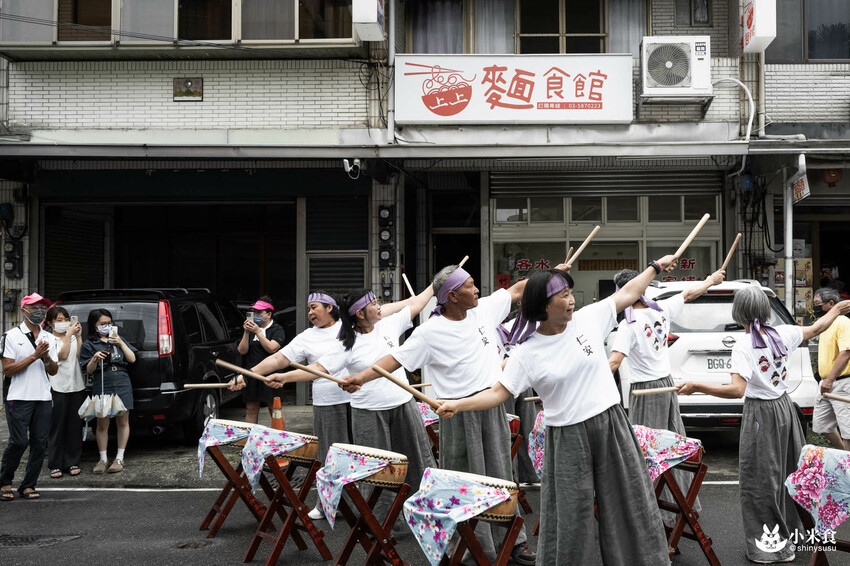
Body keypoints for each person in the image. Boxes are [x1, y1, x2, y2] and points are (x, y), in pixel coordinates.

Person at [436, 258, 677, 565]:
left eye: (570, 292)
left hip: (612, 424)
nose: (572, 300)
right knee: (569, 514)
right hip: (566, 436)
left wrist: (655, 267)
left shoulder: (590, 318)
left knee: (628, 501)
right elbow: (497, 393)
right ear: (543, 305)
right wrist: (457, 404)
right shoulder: (527, 351)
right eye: (562, 295)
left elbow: (629, 292)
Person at [341, 263, 574, 565]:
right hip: (456, 414)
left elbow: (519, 289)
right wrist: (360, 377)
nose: (477, 289)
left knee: (502, 474)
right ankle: (468, 547)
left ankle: (512, 542)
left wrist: (552, 275)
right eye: (470, 285)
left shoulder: (484, 310)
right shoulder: (428, 333)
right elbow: (393, 360)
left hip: (490, 406)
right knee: (463, 482)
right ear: (452, 295)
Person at [678, 286, 850, 564]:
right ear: (765, 310)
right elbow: (817, 327)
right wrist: (837, 309)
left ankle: (769, 548)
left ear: (739, 313)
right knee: (788, 473)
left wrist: (697, 385)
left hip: (760, 414)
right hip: (785, 409)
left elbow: (737, 391)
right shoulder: (784, 333)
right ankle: (794, 537)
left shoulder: (744, 346)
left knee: (759, 480)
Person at [269, 285, 436, 526]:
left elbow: (418, 303)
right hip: (369, 412)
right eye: (374, 304)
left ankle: (423, 513)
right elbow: (318, 369)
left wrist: (436, 284)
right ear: (360, 313)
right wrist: (285, 377)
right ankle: (384, 523)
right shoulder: (346, 343)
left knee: (418, 460)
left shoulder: (388, 324)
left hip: (404, 403)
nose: (379, 306)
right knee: (380, 470)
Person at [607, 268, 725, 522]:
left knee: (649, 452)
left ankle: (655, 514)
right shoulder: (661, 309)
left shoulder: (628, 324)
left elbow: (614, 363)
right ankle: (679, 505)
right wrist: (710, 280)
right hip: (665, 387)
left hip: (646, 391)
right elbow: (689, 293)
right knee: (671, 445)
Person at [231, 291, 350, 521]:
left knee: (360, 455)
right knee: (329, 456)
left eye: (315, 307)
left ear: (330, 308)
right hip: (327, 402)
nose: (310, 312)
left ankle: (361, 504)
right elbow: (279, 359)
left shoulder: (349, 328)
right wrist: (246, 375)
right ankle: (327, 504)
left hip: (358, 399)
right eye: (308, 309)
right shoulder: (307, 336)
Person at [0, 293, 58, 501]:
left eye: (43, 307)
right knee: (18, 441)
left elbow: (53, 371)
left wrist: (47, 358)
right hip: (18, 396)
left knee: (40, 444)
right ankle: (5, 481)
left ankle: (28, 485)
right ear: (23, 310)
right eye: (34, 307)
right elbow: (8, 370)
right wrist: (34, 356)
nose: (39, 311)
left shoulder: (50, 338)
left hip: (43, 397)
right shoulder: (11, 336)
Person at [80, 308, 137, 474]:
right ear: (94, 325)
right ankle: (103, 459)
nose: (107, 326)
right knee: (102, 422)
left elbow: (132, 359)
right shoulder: (89, 344)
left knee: (122, 420)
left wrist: (120, 342)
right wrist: (95, 358)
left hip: (122, 379)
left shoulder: (119, 339)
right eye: (102, 324)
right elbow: (89, 370)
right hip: (103, 382)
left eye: (109, 323)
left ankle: (119, 458)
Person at [45, 306, 85, 479]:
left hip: (76, 386)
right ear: (49, 323)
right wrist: (68, 337)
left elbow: (80, 357)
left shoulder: (73, 337)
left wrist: (79, 336)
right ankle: (55, 463)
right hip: (57, 387)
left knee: (75, 425)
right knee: (57, 426)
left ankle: (72, 461)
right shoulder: (48, 339)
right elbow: (61, 356)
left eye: (65, 319)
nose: (63, 323)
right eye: (58, 320)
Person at [811, 287, 850, 450]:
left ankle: (847, 470)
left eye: (817, 304)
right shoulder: (824, 324)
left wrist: (830, 379)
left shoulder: (843, 322)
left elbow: (846, 352)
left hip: (841, 383)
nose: (814, 307)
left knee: (848, 431)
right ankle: (844, 457)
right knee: (822, 426)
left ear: (831, 303)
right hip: (826, 383)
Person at [237, 296, 285, 424]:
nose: (256, 315)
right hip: (251, 372)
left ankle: (279, 438)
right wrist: (246, 332)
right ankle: (251, 439)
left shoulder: (277, 329)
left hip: (272, 373)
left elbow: (272, 348)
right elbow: (242, 351)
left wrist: (258, 332)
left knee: (273, 407)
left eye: (259, 312)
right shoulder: (251, 329)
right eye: (254, 312)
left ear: (268, 314)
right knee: (251, 408)